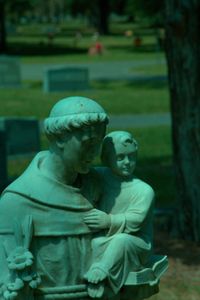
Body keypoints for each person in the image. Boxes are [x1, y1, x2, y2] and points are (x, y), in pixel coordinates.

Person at [0, 96, 109, 299]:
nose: (95, 152)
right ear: (59, 139)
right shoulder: (18, 201)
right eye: (88, 143)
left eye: (99, 143)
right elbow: (5, 280)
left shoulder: (99, 186)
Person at [84, 131, 155, 298]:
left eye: (132, 157)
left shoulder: (143, 190)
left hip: (136, 242)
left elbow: (136, 221)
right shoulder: (99, 176)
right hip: (104, 238)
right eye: (120, 157)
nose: (127, 162)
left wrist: (108, 221)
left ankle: (101, 274)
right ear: (107, 159)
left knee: (121, 240)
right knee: (91, 243)